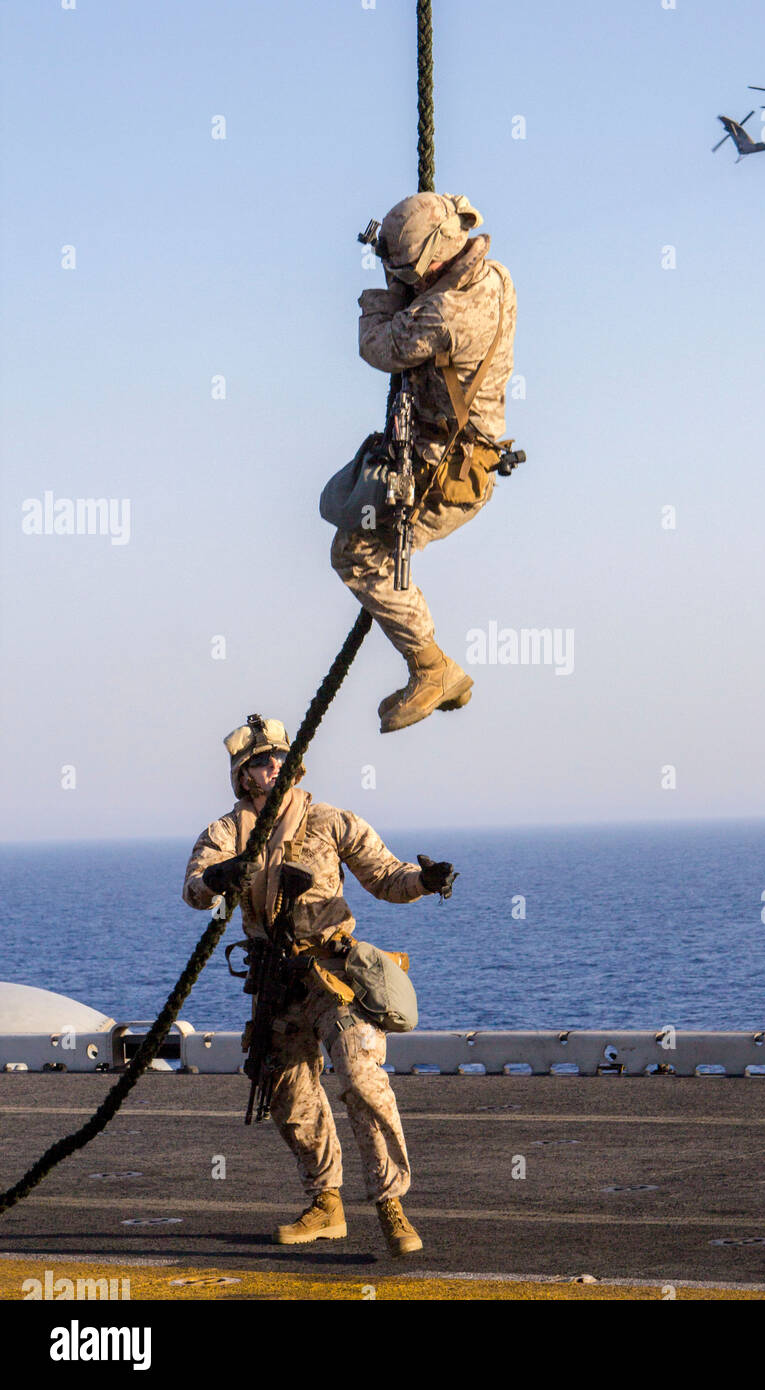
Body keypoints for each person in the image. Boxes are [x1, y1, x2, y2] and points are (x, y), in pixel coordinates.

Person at [182, 713, 457, 1256]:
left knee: (359, 1074)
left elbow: (386, 877)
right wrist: (217, 877)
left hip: (333, 974)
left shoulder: (330, 821)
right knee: (287, 1092)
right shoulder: (225, 833)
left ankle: (390, 1204)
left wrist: (425, 881)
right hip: (274, 983)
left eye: (279, 757)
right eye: (261, 762)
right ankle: (326, 1204)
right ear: (244, 777)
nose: (273, 765)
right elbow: (195, 890)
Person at [331, 192, 518, 733]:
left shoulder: (444, 313)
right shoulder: (495, 276)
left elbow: (378, 347)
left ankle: (432, 669)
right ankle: (433, 669)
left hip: (442, 473)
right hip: (453, 454)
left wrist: (387, 292)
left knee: (358, 554)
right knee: (353, 518)